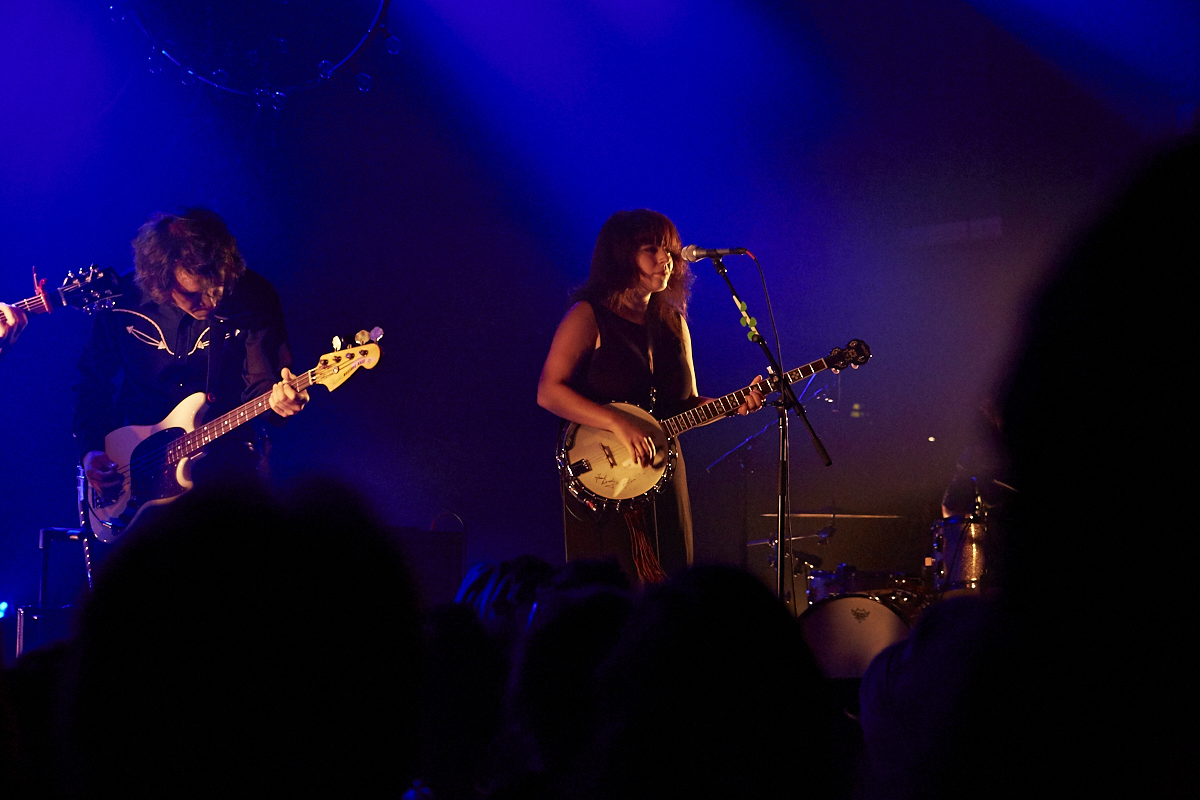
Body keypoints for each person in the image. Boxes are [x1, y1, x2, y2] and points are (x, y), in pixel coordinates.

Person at [537, 209, 763, 585]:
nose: (666, 260)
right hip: (602, 478)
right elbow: (549, 391)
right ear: (622, 257)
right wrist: (618, 423)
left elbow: (686, 405)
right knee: (613, 593)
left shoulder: (674, 323)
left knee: (672, 585)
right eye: (651, 250)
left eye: (669, 250)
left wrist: (732, 406)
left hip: (662, 472)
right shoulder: (588, 316)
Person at [74, 208, 307, 504]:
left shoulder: (253, 296)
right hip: (133, 466)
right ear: (160, 282)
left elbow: (263, 387)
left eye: (218, 288)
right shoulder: (122, 302)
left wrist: (281, 403)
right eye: (195, 294)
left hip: (226, 460)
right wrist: (91, 449)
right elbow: (92, 382)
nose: (212, 301)